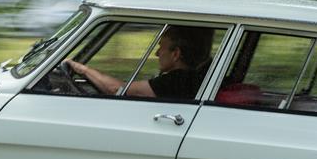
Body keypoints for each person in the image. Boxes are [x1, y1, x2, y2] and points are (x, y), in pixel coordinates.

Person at [66, 26, 213, 101]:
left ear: (176, 54)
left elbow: (117, 89)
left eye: (161, 47)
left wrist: (83, 69)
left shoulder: (176, 81)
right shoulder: (191, 78)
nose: (156, 53)